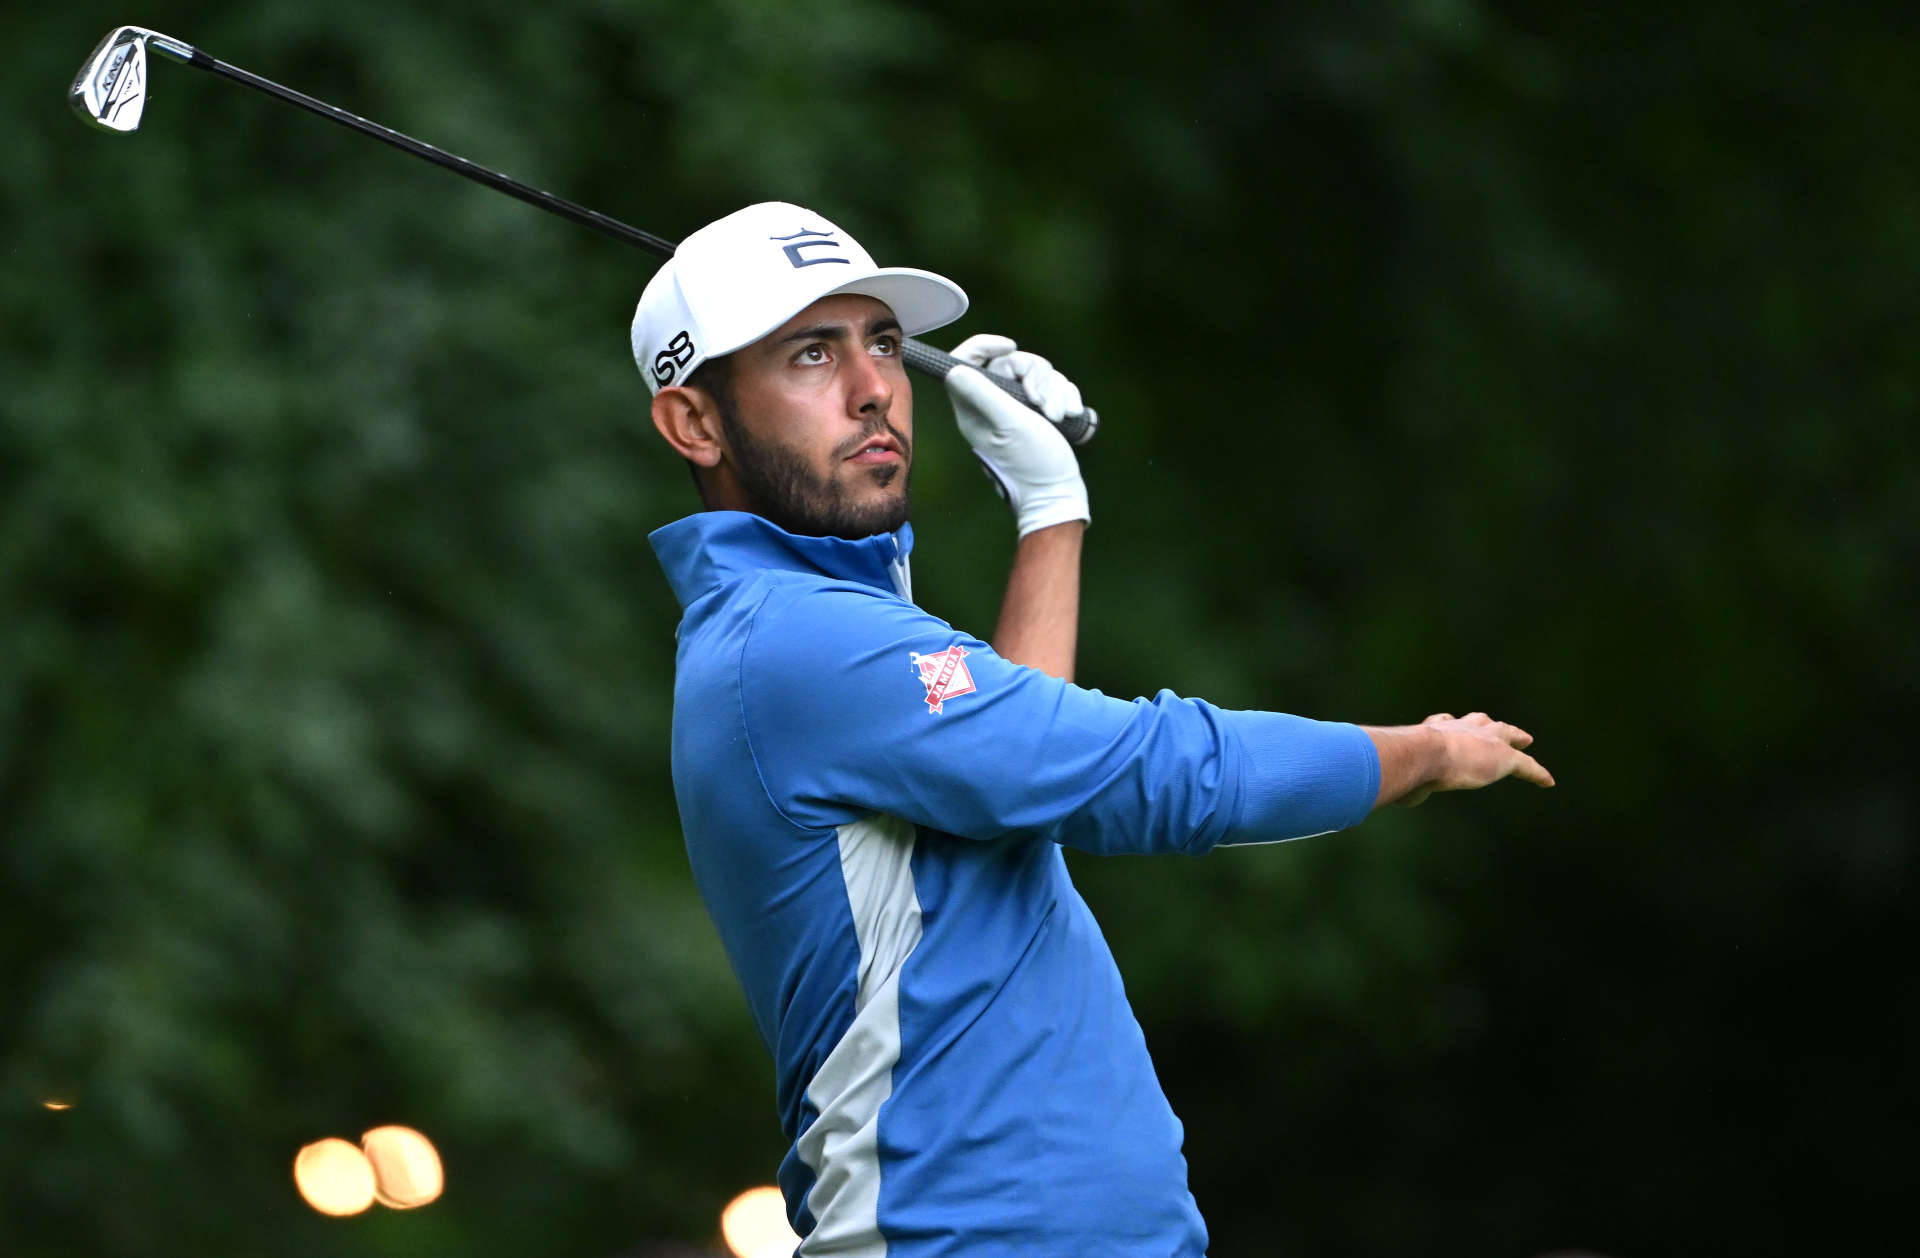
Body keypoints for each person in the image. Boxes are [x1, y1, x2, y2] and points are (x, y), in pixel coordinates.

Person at [632, 202, 1552, 1256]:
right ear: (696, 424)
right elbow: (1138, 773)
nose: (874, 385)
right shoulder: (795, 641)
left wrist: (1049, 507)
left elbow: (1020, 783)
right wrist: (1423, 752)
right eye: (810, 354)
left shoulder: (827, 628)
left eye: (882, 341)